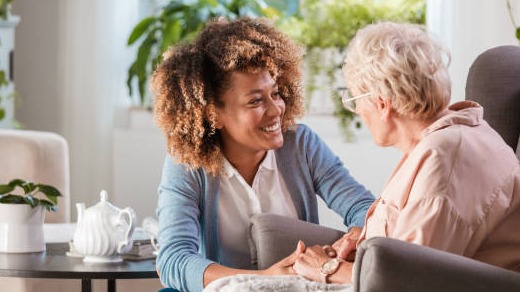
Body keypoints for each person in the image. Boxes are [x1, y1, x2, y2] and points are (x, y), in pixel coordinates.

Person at [151, 17, 375, 291]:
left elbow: (365, 209)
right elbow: (174, 259)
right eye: (255, 100)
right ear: (213, 114)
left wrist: (352, 239)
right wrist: (263, 279)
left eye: (276, 93)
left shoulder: (302, 145)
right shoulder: (187, 164)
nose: (276, 109)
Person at [292, 21, 520, 284]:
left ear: (382, 104)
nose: (357, 111)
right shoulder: (456, 133)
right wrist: (366, 243)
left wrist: (327, 268)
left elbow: (409, 277)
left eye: (353, 100)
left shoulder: (442, 158)